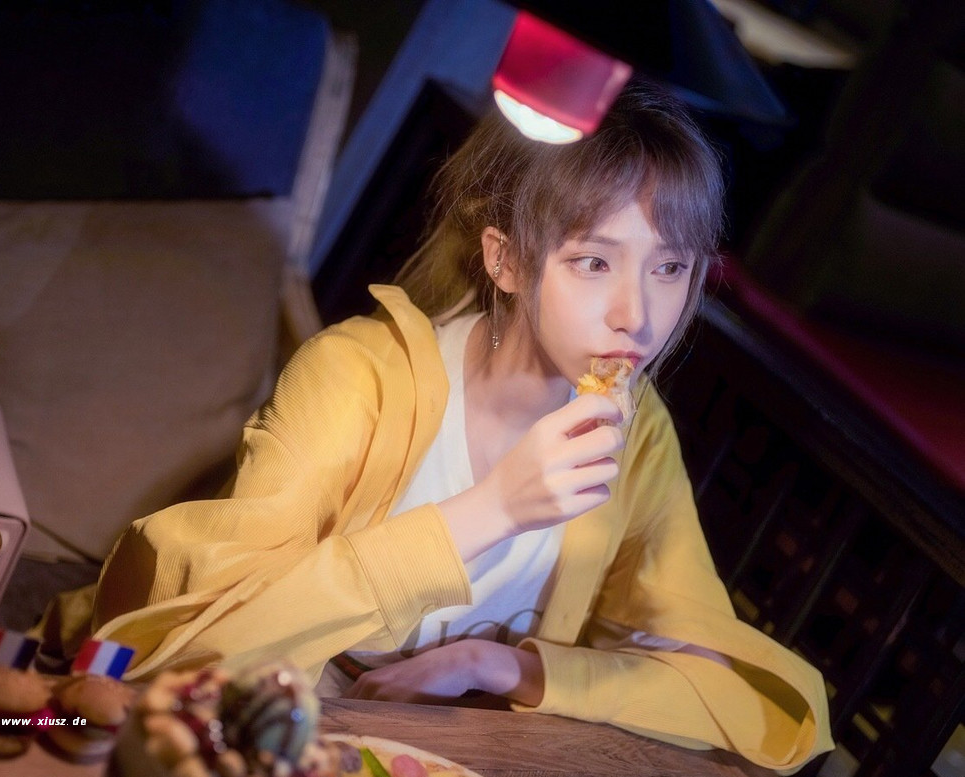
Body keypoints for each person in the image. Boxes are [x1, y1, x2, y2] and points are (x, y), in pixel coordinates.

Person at [87, 80, 833, 771]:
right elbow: (187, 655)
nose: (636, 315)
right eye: (593, 262)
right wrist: (490, 510)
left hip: (455, 744)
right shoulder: (358, 375)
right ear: (504, 260)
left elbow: (727, 691)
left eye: (669, 268)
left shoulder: (636, 431)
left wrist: (505, 666)